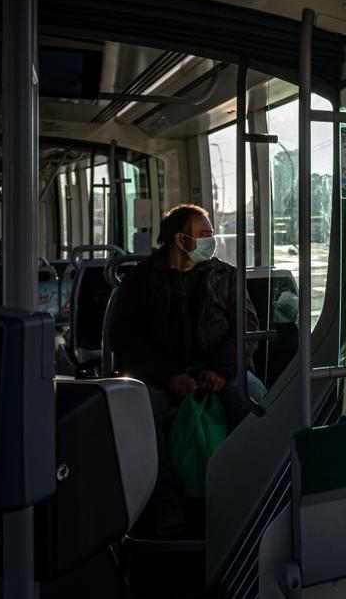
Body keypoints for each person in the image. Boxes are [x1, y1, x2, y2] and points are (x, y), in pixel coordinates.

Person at [110, 203, 265, 535]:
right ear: (180, 240)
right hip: (162, 371)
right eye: (205, 234)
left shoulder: (227, 275)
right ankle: (166, 498)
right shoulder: (140, 281)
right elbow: (124, 340)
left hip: (218, 366)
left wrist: (222, 369)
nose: (213, 240)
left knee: (252, 397)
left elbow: (246, 329)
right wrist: (169, 375)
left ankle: (246, 487)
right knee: (141, 408)